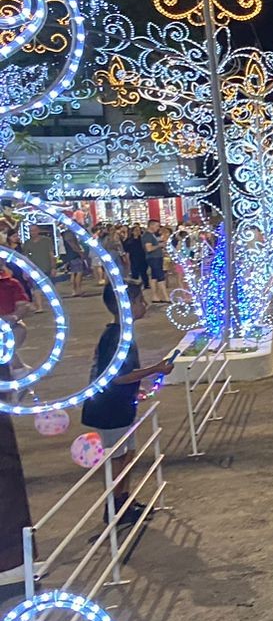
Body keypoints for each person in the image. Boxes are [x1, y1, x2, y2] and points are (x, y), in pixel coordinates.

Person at [80, 282, 173, 528]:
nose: (145, 305)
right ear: (126, 306)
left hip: (118, 405)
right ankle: (114, 507)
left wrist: (136, 386)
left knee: (128, 454)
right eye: (140, 301)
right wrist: (155, 369)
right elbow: (116, 376)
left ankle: (123, 501)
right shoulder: (116, 337)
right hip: (108, 409)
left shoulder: (120, 334)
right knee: (117, 458)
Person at [142, 220, 170, 304]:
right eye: (157, 226)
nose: (158, 228)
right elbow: (149, 248)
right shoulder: (147, 236)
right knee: (160, 277)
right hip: (154, 258)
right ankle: (166, 297)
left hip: (156, 257)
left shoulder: (152, 235)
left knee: (154, 277)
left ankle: (155, 296)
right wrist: (159, 245)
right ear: (151, 225)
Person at [122, 223, 148, 290]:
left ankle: (146, 284)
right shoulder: (129, 241)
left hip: (142, 257)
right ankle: (135, 285)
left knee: (143, 271)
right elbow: (127, 251)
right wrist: (127, 260)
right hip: (133, 258)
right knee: (134, 272)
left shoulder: (142, 239)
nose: (137, 232)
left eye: (139, 230)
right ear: (132, 232)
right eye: (136, 230)